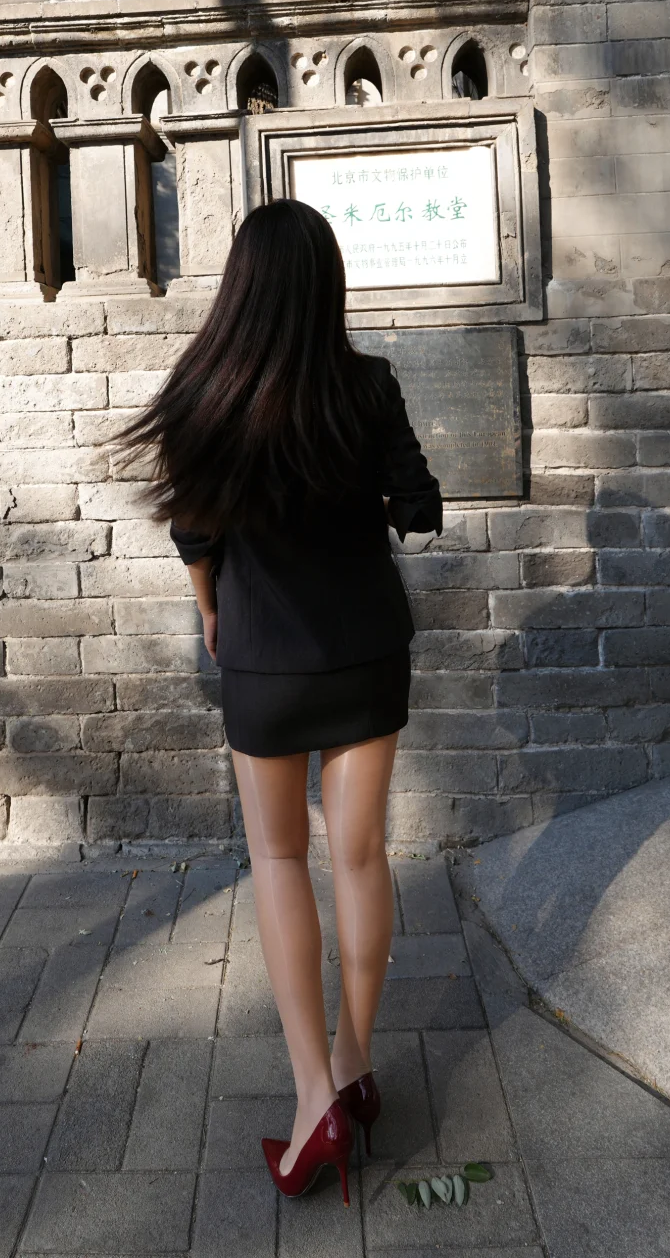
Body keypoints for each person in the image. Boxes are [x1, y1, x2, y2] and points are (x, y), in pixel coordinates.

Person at [115, 199, 443, 1205]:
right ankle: (353, 1065)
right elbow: (419, 506)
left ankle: (312, 1101)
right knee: (361, 856)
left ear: (241, 287)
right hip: (367, 649)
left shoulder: (206, 389)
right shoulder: (369, 386)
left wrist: (212, 609)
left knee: (279, 858)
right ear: (328, 284)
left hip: (261, 654)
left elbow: (195, 535)